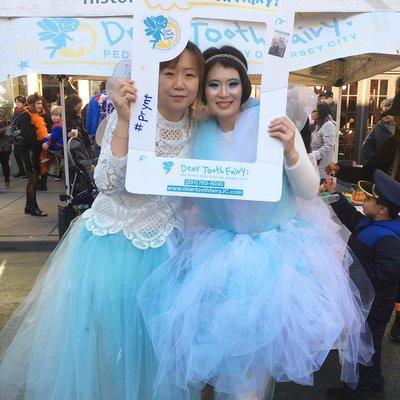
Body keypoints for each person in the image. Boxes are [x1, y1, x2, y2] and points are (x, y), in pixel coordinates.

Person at [138, 46, 374, 400]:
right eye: (214, 84)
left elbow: (309, 191)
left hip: (271, 257)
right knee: (220, 362)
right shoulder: (198, 127)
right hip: (213, 254)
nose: (224, 93)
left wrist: (293, 148)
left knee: (250, 374)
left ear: (245, 86)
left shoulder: (271, 121)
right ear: (204, 91)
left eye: (232, 83)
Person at [0, 41, 204, 400]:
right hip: (111, 251)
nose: (179, 83)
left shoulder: (200, 127)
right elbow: (107, 181)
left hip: (167, 255)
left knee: (153, 359)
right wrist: (125, 121)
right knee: (105, 354)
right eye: (169, 73)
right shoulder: (130, 115)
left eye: (189, 74)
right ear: (150, 76)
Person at [326, 170, 400, 400]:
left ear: (383, 210)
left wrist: (352, 270)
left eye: (368, 199)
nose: (363, 200)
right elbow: (353, 220)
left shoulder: (388, 238)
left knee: (363, 344)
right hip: (367, 297)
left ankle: (355, 392)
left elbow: (387, 272)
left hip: (375, 303)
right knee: (369, 343)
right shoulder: (372, 222)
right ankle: (374, 383)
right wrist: (335, 195)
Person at [13, 93, 48, 217]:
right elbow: (29, 138)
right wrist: (42, 144)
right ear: (31, 104)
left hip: (32, 150)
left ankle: (29, 206)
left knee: (32, 179)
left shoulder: (34, 115)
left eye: (41, 103)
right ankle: (33, 207)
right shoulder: (25, 116)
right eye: (37, 103)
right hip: (28, 151)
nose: (40, 105)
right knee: (33, 179)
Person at [361, 98, 395, 164]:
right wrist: (377, 162)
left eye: (388, 110)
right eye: (383, 110)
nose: (385, 113)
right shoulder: (377, 128)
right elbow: (366, 148)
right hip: (382, 169)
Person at [310, 102, 336, 181]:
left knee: (322, 190)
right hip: (315, 164)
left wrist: (315, 155)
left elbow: (329, 146)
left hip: (323, 166)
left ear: (320, 112)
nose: (312, 113)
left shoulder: (328, 125)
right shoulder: (317, 124)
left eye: (314, 111)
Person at [11, 95, 27, 178]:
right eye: (16, 102)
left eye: (19, 102)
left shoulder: (25, 111)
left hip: (22, 134)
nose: (17, 104)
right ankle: (21, 170)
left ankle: (27, 171)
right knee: (16, 153)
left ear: (24, 103)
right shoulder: (15, 111)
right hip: (15, 134)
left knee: (24, 154)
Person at [0, 110, 12, 189]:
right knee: (5, 164)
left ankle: (7, 181)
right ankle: (7, 181)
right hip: (6, 146)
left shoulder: (5, 123)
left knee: (4, 164)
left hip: (4, 146)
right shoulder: (7, 123)